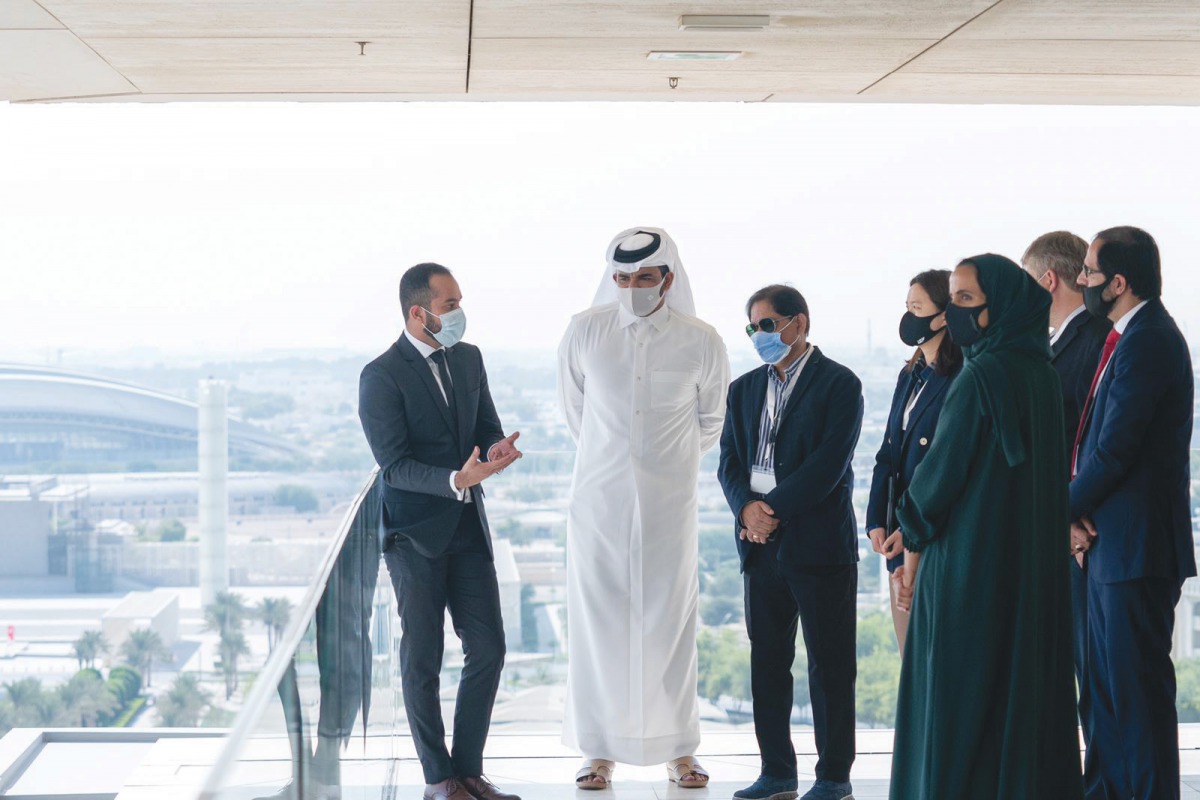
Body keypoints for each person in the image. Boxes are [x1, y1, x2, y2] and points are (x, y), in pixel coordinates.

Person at [889, 254, 1082, 799]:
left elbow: (937, 480)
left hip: (968, 565)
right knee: (1015, 697)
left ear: (1002, 306)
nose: (954, 312)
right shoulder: (1041, 374)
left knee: (957, 701)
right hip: (1028, 564)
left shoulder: (979, 375)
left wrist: (910, 549)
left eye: (966, 299)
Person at [557, 227, 729, 791]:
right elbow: (577, 414)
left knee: (669, 627)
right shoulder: (585, 331)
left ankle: (680, 751)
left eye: (645, 278)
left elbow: (711, 422)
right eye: (623, 278)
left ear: (667, 279)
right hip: (599, 507)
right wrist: (617, 461)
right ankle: (598, 752)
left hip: (668, 509)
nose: (632, 288)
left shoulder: (701, 340)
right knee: (599, 628)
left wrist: (662, 466)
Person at [358, 263, 524, 800]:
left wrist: (496, 449)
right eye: (449, 305)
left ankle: (468, 770)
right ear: (418, 312)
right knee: (423, 657)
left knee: (489, 647)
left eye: (459, 302)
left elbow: (485, 426)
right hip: (414, 536)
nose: (459, 313)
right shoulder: (381, 375)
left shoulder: (468, 358)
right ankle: (438, 778)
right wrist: (457, 479)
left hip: (467, 526)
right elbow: (394, 466)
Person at [718, 284, 862, 800]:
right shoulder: (743, 388)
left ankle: (833, 778)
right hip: (758, 543)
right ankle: (776, 772)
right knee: (768, 662)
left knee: (830, 665)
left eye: (767, 325)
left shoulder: (839, 383)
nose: (759, 335)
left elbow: (829, 465)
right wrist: (747, 509)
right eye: (752, 327)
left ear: (798, 323)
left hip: (817, 543)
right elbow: (728, 461)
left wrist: (771, 510)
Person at [1070, 226, 1196, 799]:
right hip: (1112, 546)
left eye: (1089, 272)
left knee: (1136, 696)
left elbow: (1115, 450)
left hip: (1135, 548)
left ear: (1118, 282)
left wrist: (1058, 512)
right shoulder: (1127, 336)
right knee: (1109, 695)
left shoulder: (1148, 340)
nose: (1081, 280)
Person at [1020, 230, 1110, 741]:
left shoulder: (1096, 340)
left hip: (1083, 533)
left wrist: (1067, 516)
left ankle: (1101, 777)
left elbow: (1092, 443)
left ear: (1048, 280)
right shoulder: (1065, 341)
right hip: (1063, 525)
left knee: (1092, 668)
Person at [865, 270, 961, 652]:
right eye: (907, 307)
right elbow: (888, 453)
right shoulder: (910, 375)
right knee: (910, 655)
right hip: (896, 540)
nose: (909, 317)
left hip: (934, 539)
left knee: (934, 657)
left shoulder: (961, 379)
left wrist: (910, 529)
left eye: (917, 308)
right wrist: (876, 519)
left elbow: (944, 468)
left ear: (944, 316)